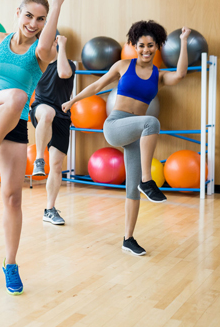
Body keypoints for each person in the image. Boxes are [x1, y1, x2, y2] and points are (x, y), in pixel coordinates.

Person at [62, 21, 191, 256]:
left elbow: (180, 74)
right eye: (141, 45)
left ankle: (128, 239)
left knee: (132, 191)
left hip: (135, 133)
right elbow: (98, 85)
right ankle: (146, 180)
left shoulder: (158, 75)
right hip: (115, 125)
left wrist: (182, 41)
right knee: (152, 122)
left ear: (157, 47)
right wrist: (73, 101)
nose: (146, 50)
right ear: (134, 45)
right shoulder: (123, 65)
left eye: (151, 46)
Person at [0, 0, 64, 295]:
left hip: (13, 124)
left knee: (13, 198)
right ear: (18, 13)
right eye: (29, 16)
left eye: (40, 19)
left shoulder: (42, 53)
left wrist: (57, 7)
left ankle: (10, 264)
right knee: (18, 95)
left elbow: (48, 43)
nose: (33, 24)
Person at [29, 35, 75, 225]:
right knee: (47, 113)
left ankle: (49, 209)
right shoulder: (36, 66)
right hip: (41, 109)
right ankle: (39, 159)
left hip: (63, 116)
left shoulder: (69, 64)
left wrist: (62, 46)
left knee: (56, 166)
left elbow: (63, 74)